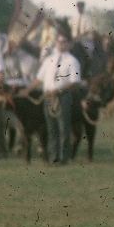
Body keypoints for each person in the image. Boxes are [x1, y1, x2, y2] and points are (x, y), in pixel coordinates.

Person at [37, 34, 83, 165]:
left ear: (69, 44)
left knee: (63, 128)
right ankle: (54, 156)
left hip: (62, 96)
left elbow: (75, 82)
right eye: (59, 42)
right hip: (48, 96)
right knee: (51, 128)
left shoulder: (72, 61)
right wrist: (27, 91)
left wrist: (59, 90)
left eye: (63, 42)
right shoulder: (49, 60)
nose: (60, 44)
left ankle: (64, 157)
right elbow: (39, 78)